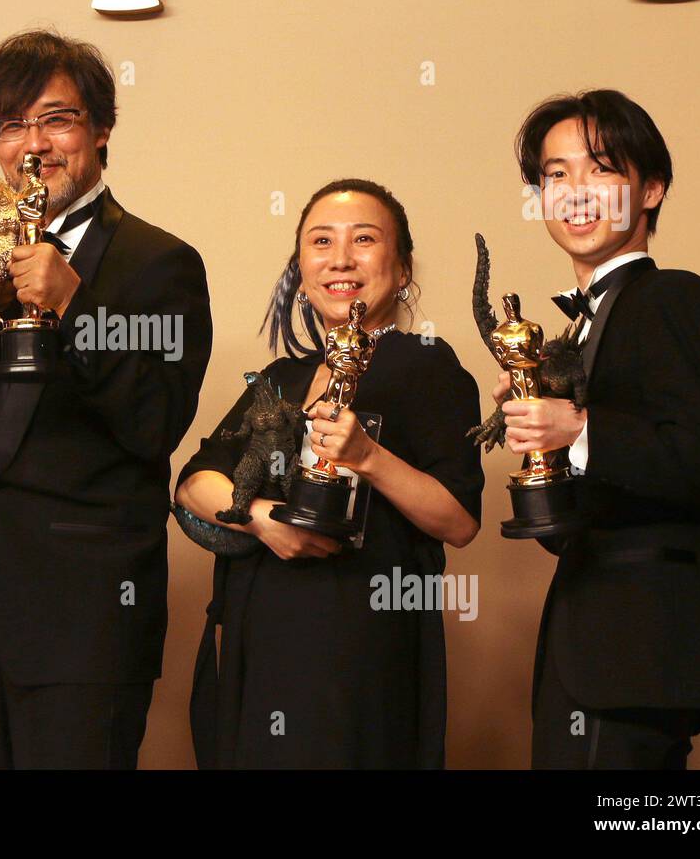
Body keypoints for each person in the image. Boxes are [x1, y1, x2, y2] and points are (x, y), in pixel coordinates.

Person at [0, 30, 212, 769]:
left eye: (56, 119)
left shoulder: (159, 261)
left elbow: (155, 425)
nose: (32, 145)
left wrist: (76, 305)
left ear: (101, 130)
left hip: (92, 619)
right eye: (10, 126)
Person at [175, 179, 482, 768]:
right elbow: (193, 483)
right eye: (321, 242)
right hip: (259, 641)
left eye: (364, 239)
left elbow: (460, 520)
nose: (340, 259)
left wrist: (369, 456)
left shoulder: (428, 368)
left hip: (358, 648)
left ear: (402, 266)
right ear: (300, 268)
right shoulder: (284, 378)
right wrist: (267, 521)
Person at [499, 89, 700, 769]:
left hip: (632, 662)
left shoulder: (674, 296)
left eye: (601, 167)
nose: (575, 191)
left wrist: (576, 425)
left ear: (652, 189)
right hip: (594, 659)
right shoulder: (583, 328)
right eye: (555, 174)